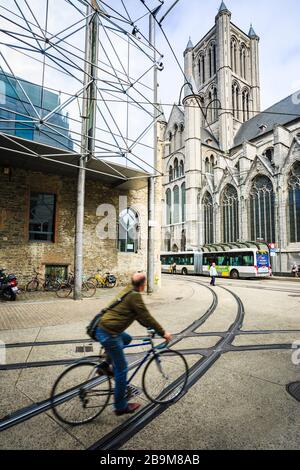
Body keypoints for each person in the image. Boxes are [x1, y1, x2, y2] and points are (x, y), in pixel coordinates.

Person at [95, 272, 172, 416]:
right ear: (143, 285)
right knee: (122, 369)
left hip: (104, 327)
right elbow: (146, 316)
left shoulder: (129, 289)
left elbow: (140, 316)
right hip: (109, 333)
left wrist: (148, 327)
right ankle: (121, 406)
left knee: (127, 339)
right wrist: (163, 333)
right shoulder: (135, 296)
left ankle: (105, 365)